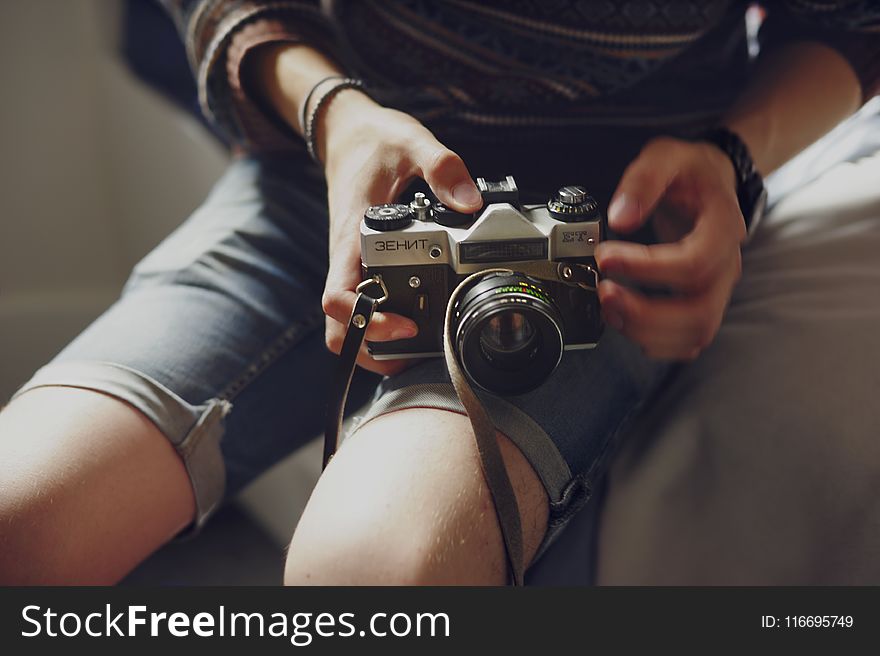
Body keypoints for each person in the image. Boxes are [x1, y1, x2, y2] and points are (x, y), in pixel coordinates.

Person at [1, 1, 878, 584]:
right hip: (324, 170)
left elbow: (850, 20)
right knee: (22, 515)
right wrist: (335, 117)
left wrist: (732, 159)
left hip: (601, 219)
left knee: (374, 576)